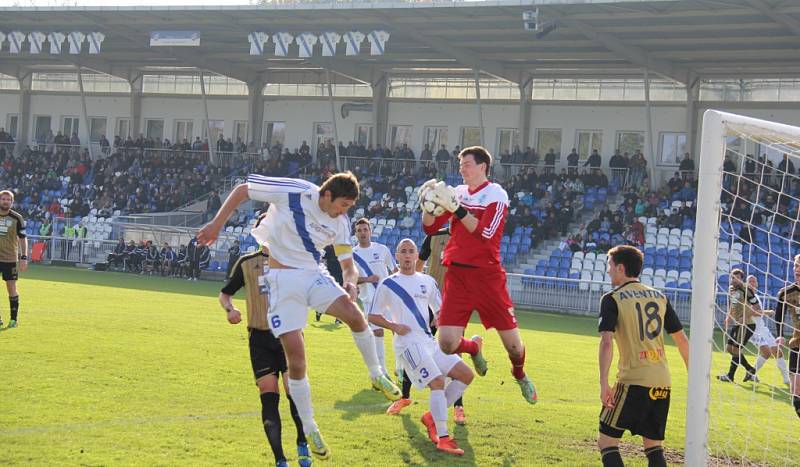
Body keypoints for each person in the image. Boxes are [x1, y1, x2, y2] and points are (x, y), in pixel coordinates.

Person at [197, 172, 401, 459]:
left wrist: (351, 281)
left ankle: (377, 375)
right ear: (327, 195)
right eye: (343, 204)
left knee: (355, 316)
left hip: (313, 274)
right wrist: (216, 225)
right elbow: (243, 189)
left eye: (349, 207)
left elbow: (347, 263)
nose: (346, 212)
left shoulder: (340, 223)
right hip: (281, 281)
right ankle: (310, 427)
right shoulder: (296, 192)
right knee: (296, 360)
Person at [421, 146, 537, 404]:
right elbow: (430, 228)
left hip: (488, 277)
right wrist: (427, 204)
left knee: (514, 347)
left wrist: (459, 210)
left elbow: (485, 234)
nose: (461, 168)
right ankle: (474, 347)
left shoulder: (497, 194)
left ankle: (519, 374)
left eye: (467, 164)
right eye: (460, 164)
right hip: (458, 275)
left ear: (483, 166)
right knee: (447, 344)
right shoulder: (457, 193)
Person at [368, 239, 473, 456]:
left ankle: (432, 417)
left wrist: (439, 319)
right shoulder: (388, 284)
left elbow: (440, 309)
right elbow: (373, 315)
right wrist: (393, 325)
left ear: (417, 256)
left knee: (466, 375)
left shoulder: (428, 281)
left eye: (411, 252)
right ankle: (443, 437)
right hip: (407, 344)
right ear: (397, 256)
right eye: (403, 252)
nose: (407, 256)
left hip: (428, 342)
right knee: (437, 381)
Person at [218, 242, 312, 467]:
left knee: (293, 391)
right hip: (259, 339)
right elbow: (225, 294)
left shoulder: (292, 259)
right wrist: (230, 309)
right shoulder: (247, 263)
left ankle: (302, 441)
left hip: (287, 336)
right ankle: (280, 458)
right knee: (268, 396)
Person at [598, 245, 689, 467]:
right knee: (653, 447)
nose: (608, 271)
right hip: (662, 382)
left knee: (606, 443)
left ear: (620, 268)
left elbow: (607, 342)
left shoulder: (612, 298)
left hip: (633, 381)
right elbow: (682, 341)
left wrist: (604, 383)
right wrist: (695, 380)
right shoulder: (660, 297)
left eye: (610, 265)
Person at [386, 227, 467, 424]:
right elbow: (419, 266)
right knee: (412, 347)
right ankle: (404, 397)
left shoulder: (467, 237)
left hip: (454, 304)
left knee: (454, 354)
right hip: (427, 302)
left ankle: (458, 407)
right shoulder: (434, 235)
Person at [352, 218, 398, 375]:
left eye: (365, 230)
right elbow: (351, 279)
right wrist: (367, 279)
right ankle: (382, 372)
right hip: (369, 300)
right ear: (356, 234)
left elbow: (395, 270)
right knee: (378, 333)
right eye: (359, 230)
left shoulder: (382, 249)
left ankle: (401, 369)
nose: (363, 233)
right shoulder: (353, 254)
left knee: (397, 330)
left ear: (370, 231)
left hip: (388, 298)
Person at [717, 268, 762, 383]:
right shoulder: (731, 289)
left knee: (736, 350)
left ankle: (731, 375)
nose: (734, 280)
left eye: (737, 278)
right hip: (737, 323)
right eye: (732, 277)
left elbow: (757, 308)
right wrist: (728, 318)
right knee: (729, 348)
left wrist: (745, 316)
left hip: (747, 324)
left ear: (741, 279)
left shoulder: (747, 289)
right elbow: (733, 305)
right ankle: (749, 369)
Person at [746, 275, 790, 386]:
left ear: (756, 284)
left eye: (753, 281)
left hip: (763, 328)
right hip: (753, 329)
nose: (752, 283)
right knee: (766, 352)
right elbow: (751, 312)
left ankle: (786, 379)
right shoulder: (746, 297)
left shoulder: (756, 296)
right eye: (750, 281)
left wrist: (764, 312)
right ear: (746, 284)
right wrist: (768, 312)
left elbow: (757, 311)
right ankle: (751, 373)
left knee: (777, 351)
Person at [774, 254, 800, 418]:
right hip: (797, 341)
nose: (797, 269)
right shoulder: (786, 293)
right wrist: (780, 335)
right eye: (796, 266)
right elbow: (779, 315)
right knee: (795, 389)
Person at [0, 190, 28, 329]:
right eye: (3, 199)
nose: (5, 201)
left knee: (11, 287)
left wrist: (24, 257)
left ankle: (13, 319)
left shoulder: (17, 218)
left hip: (9, 258)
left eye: (8, 199)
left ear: (12, 202)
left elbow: (23, 239)